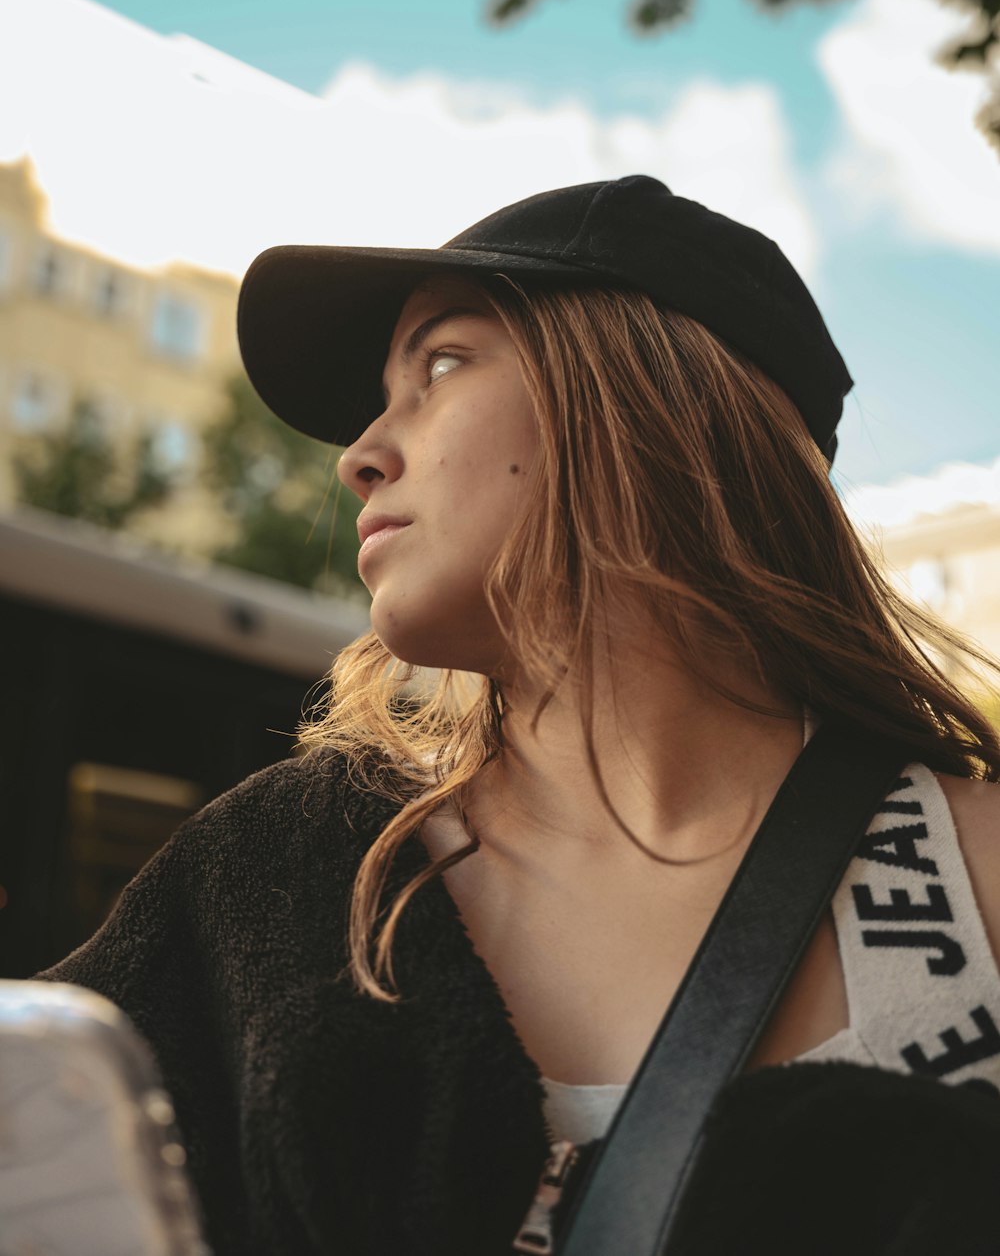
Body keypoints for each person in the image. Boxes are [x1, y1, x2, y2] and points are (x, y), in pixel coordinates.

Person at [36, 175, 1000, 1255]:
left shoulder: (984, 878)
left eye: (440, 365)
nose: (358, 456)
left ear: (655, 401)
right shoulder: (269, 872)